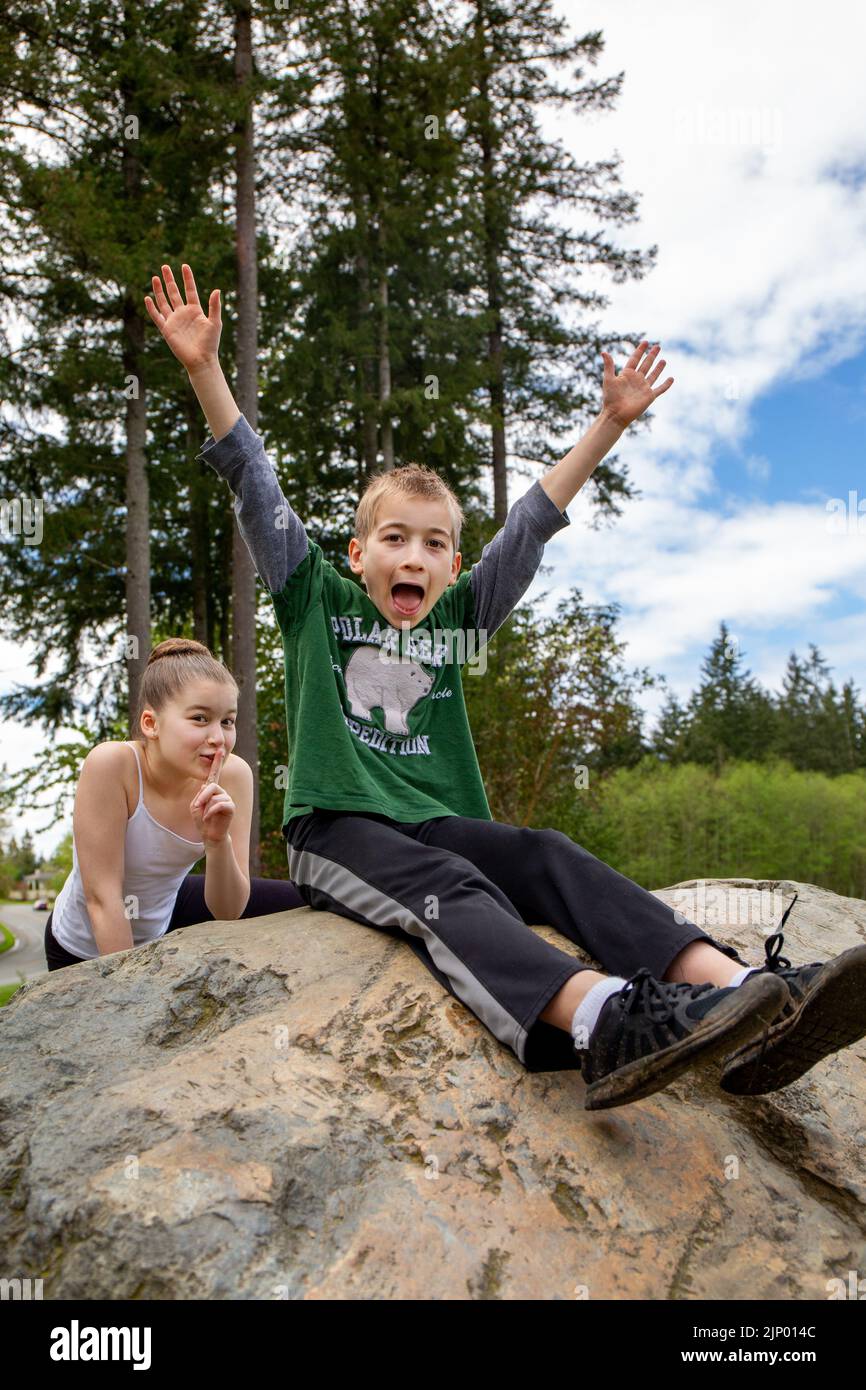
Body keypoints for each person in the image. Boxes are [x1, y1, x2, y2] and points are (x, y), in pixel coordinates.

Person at [144, 263, 866, 1110]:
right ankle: (602, 1019)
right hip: (340, 830)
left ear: (452, 566)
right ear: (357, 555)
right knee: (452, 893)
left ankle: (749, 993)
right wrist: (204, 370)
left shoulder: (458, 622)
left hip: (441, 824)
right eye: (394, 539)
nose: (413, 557)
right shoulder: (314, 598)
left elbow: (528, 527)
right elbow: (255, 485)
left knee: (545, 853)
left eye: (435, 544)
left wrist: (607, 424)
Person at [45, 637, 304, 971]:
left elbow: (228, 911)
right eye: (200, 718)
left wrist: (216, 841)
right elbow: (102, 898)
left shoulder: (233, 774)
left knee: (308, 899)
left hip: (167, 909)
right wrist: (127, 986)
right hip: (82, 945)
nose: (218, 738)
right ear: (151, 724)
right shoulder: (112, 765)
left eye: (227, 721)